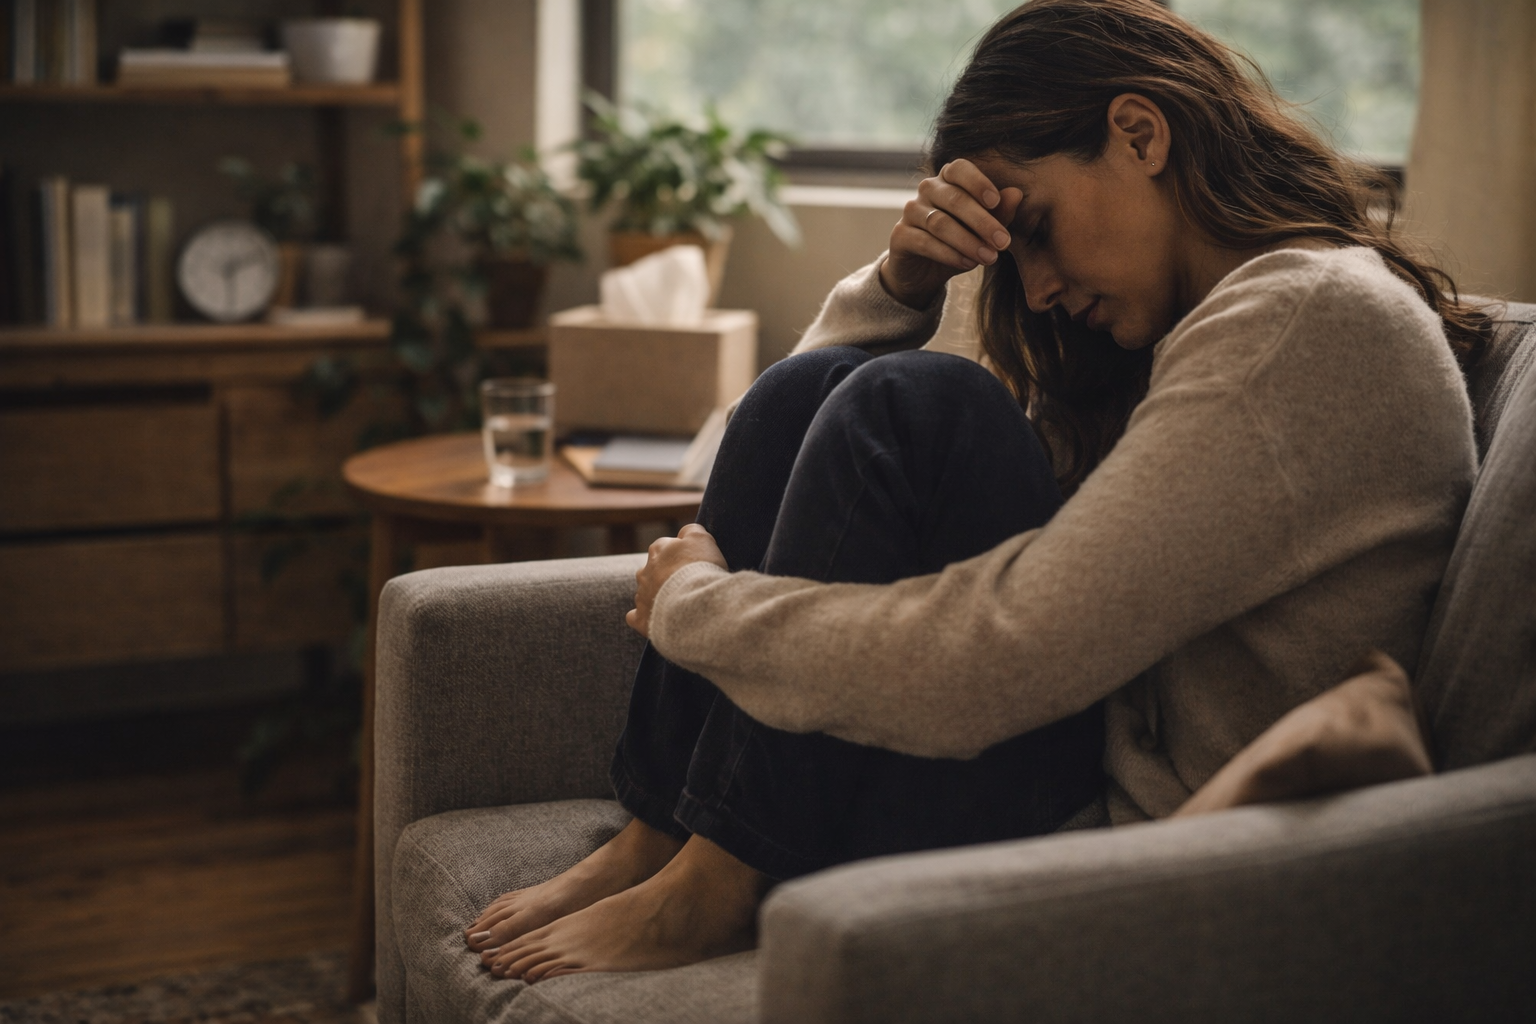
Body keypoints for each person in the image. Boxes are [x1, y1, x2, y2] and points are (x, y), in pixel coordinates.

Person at [464, 0, 1488, 982]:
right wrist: (904, 284)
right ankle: (666, 832)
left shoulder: (1308, 320)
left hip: (1140, 845)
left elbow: (999, 654)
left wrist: (697, 608)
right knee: (818, 386)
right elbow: (790, 441)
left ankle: (718, 873)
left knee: (920, 402)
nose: (1036, 284)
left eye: (1032, 225)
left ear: (1139, 133)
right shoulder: (1187, 327)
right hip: (1068, 774)